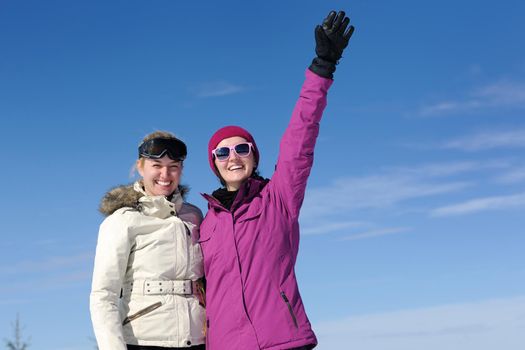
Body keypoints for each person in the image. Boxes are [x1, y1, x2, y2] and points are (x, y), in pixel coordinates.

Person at [199, 10, 354, 350]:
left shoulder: (278, 199)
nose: (233, 157)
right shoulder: (204, 224)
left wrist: (322, 68)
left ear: (254, 157)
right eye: (222, 153)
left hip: (282, 340)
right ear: (214, 165)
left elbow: (299, 140)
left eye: (242, 148)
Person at [90, 131, 206, 350]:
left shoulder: (194, 216)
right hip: (145, 342)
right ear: (140, 167)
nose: (165, 173)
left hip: (197, 341)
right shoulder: (123, 221)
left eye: (173, 166)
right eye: (156, 165)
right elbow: (103, 295)